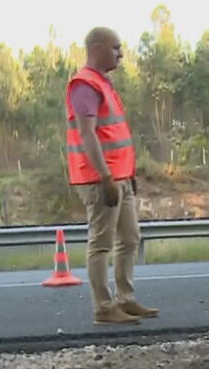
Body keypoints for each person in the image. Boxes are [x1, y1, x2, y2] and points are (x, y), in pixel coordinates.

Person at [65, 26, 159, 325]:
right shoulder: (84, 85)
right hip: (100, 179)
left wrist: (126, 175)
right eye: (116, 48)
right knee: (101, 242)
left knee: (130, 238)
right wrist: (105, 176)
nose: (121, 53)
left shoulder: (104, 84)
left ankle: (125, 299)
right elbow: (87, 134)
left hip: (120, 177)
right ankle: (103, 308)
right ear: (98, 48)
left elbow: (112, 134)